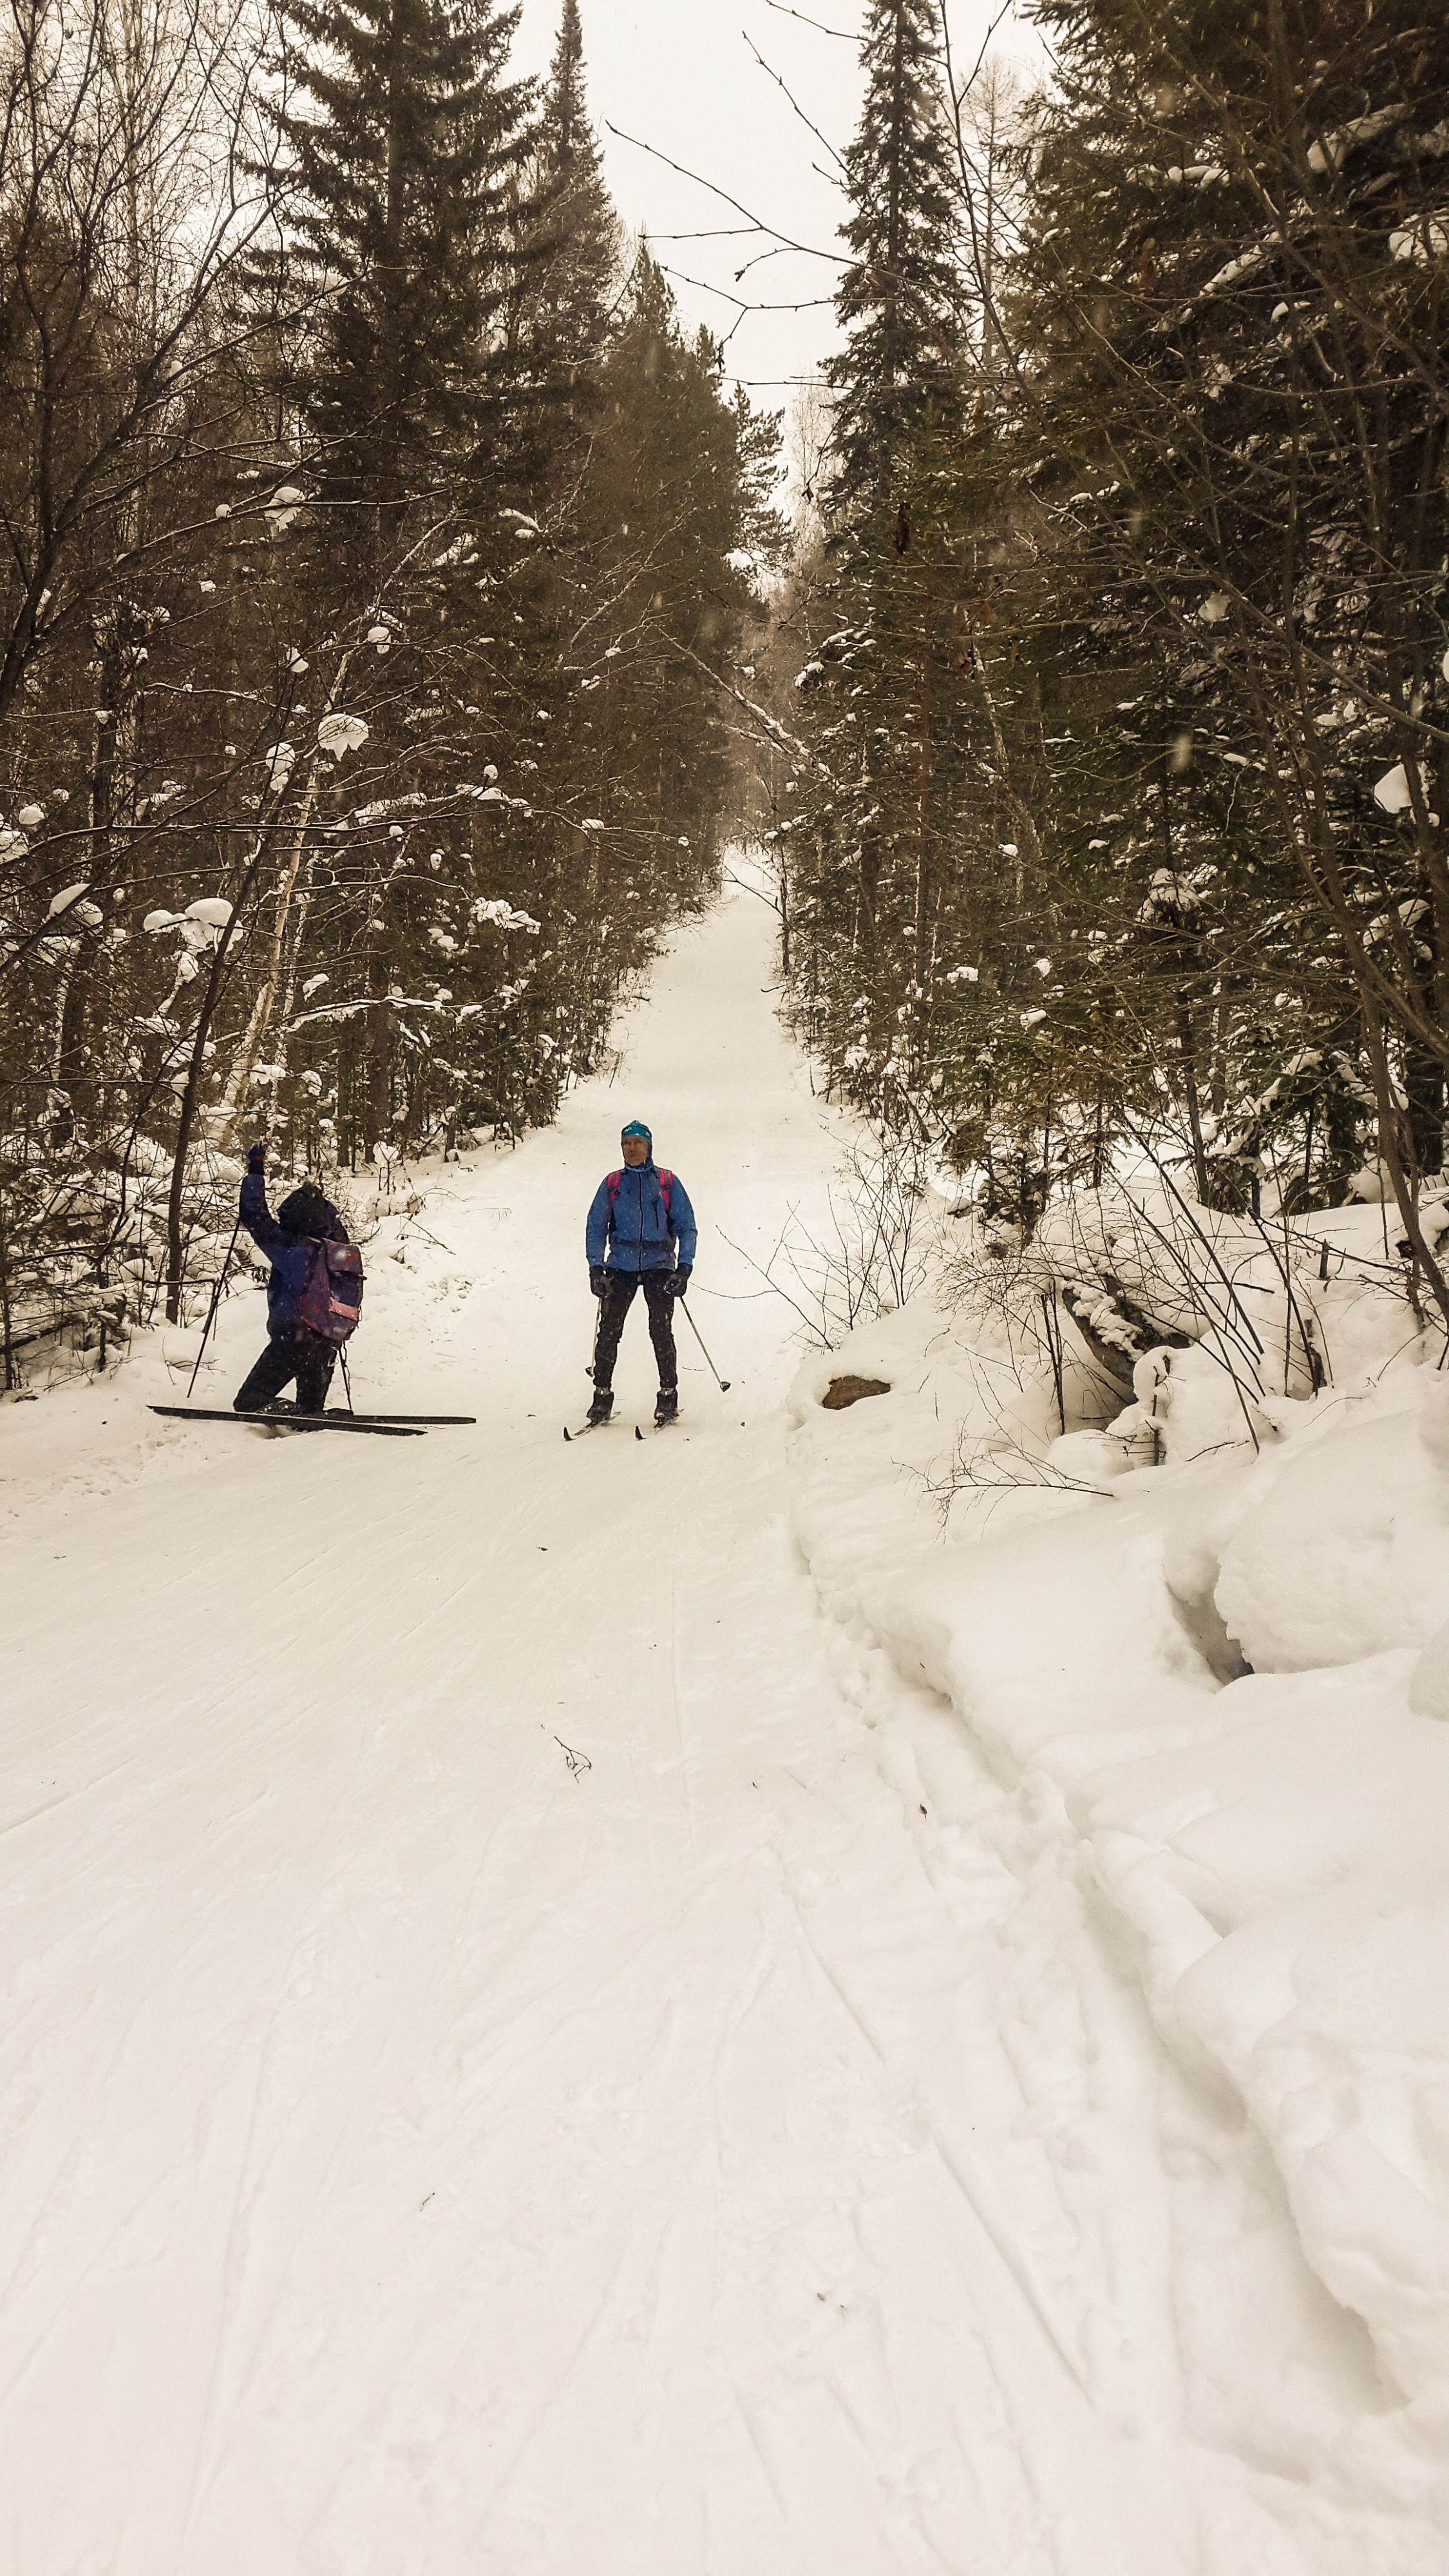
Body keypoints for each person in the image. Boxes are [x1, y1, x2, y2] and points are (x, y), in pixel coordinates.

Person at [585, 1120, 697, 1425]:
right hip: (619, 1266)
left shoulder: (666, 1182)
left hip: (659, 1266)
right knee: (609, 1332)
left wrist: (684, 1267)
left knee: (660, 1332)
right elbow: (596, 1227)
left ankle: (668, 1395)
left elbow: (687, 1227)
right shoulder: (612, 1183)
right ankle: (601, 1396)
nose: (632, 1148)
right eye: (626, 1143)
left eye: (638, 1143)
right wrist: (596, 1268)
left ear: (649, 1147)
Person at [233, 1144, 355, 1415]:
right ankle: (309, 1412)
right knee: (309, 1413)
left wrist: (255, 1169)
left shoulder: (292, 1248)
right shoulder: (337, 1250)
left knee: (248, 1402)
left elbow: (254, 1215)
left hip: (293, 1341)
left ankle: (280, 1410)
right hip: (327, 1344)